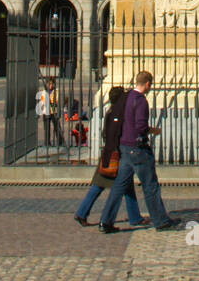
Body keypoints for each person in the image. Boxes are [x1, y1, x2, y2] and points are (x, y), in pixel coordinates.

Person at [98, 71, 181, 233]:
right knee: (150, 185)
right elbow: (141, 127)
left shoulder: (126, 97)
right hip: (138, 149)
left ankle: (105, 221)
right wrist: (154, 130)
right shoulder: (141, 101)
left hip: (124, 147)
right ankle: (161, 220)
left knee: (118, 187)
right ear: (148, 84)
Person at [75, 86, 147, 227]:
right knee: (102, 185)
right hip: (115, 155)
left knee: (124, 186)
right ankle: (82, 213)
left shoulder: (111, 112)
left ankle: (134, 217)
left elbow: (105, 134)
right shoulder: (118, 114)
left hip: (109, 153)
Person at [35, 78, 63, 148]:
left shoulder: (56, 91)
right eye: (48, 84)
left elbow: (56, 100)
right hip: (46, 111)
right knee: (46, 128)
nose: (50, 86)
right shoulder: (44, 92)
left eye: (51, 84)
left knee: (57, 127)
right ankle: (47, 142)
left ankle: (60, 141)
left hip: (54, 111)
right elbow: (41, 102)